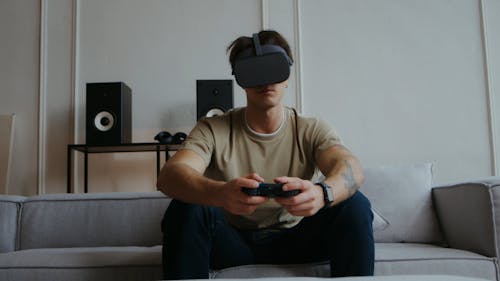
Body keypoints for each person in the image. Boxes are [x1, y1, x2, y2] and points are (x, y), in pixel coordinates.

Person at [156, 30, 374, 279]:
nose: (265, 80)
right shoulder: (213, 128)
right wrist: (220, 193)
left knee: (355, 205)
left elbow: (352, 168)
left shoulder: (310, 128)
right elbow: (169, 176)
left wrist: (321, 193)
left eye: (273, 69)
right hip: (230, 241)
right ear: (241, 79)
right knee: (186, 207)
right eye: (254, 71)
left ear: (287, 75)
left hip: (297, 238)